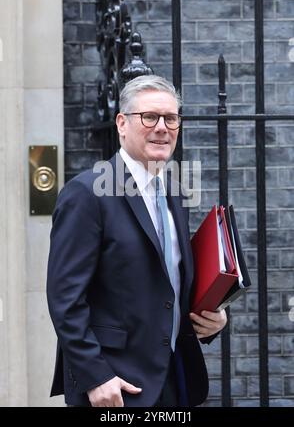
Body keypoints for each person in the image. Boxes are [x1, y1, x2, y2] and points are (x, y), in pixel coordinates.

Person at [47, 75, 227, 408]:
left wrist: (210, 317)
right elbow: (64, 298)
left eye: (171, 118)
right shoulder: (87, 193)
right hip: (115, 386)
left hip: (174, 378)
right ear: (122, 123)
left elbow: (167, 283)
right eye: (150, 117)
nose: (162, 127)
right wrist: (95, 376)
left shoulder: (173, 191)